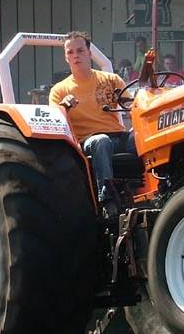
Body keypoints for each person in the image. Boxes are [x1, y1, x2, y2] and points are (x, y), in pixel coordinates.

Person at [49, 31, 135, 217]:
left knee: (141, 137)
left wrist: (133, 105)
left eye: (80, 50)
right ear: (66, 57)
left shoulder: (111, 80)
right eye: (70, 52)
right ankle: (107, 200)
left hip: (118, 136)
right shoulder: (59, 91)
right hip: (88, 142)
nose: (76, 55)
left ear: (89, 53)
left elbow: (131, 106)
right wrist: (64, 107)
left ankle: (162, 186)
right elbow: (55, 121)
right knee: (101, 141)